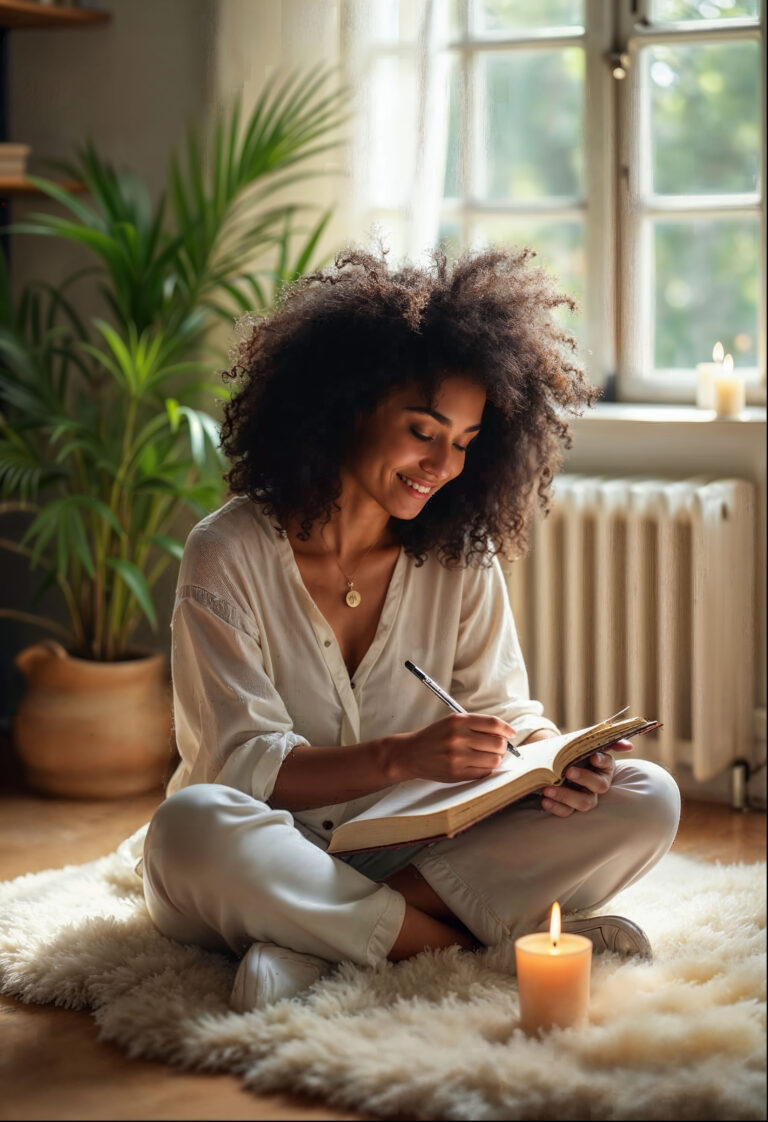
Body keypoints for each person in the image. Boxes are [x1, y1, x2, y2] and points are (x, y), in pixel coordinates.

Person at [142, 246, 681, 1012]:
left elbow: (502, 707)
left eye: (464, 443)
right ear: (348, 404)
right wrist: (400, 756)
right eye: (424, 431)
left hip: (416, 843)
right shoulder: (226, 553)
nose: (443, 465)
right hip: (261, 849)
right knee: (189, 825)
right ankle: (472, 950)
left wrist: (554, 760)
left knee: (648, 796)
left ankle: (310, 953)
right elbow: (239, 768)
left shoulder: (460, 553)